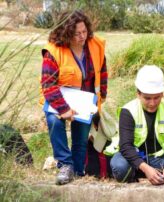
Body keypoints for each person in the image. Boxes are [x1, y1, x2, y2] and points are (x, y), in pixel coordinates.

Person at [40, 10, 107, 185]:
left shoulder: (95, 45)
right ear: (66, 32)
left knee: (81, 136)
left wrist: (100, 99)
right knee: (54, 122)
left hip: (85, 100)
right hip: (58, 100)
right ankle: (65, 165)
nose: (82, 37)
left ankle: (77, 170)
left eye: (84, 31)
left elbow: (102, 71)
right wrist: (64, 110)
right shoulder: (53, 51)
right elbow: (48, 85)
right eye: (76, 33)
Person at [108, 65, 164, 185]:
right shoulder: (128, 111)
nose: (152, 103)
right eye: (147, 98)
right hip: (135, 159)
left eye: (157, 97)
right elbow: (125, 146)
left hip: (160, 158)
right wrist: (145, 168)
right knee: (119, 167)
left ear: (162, 93)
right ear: (138, 94)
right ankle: (143, 174)